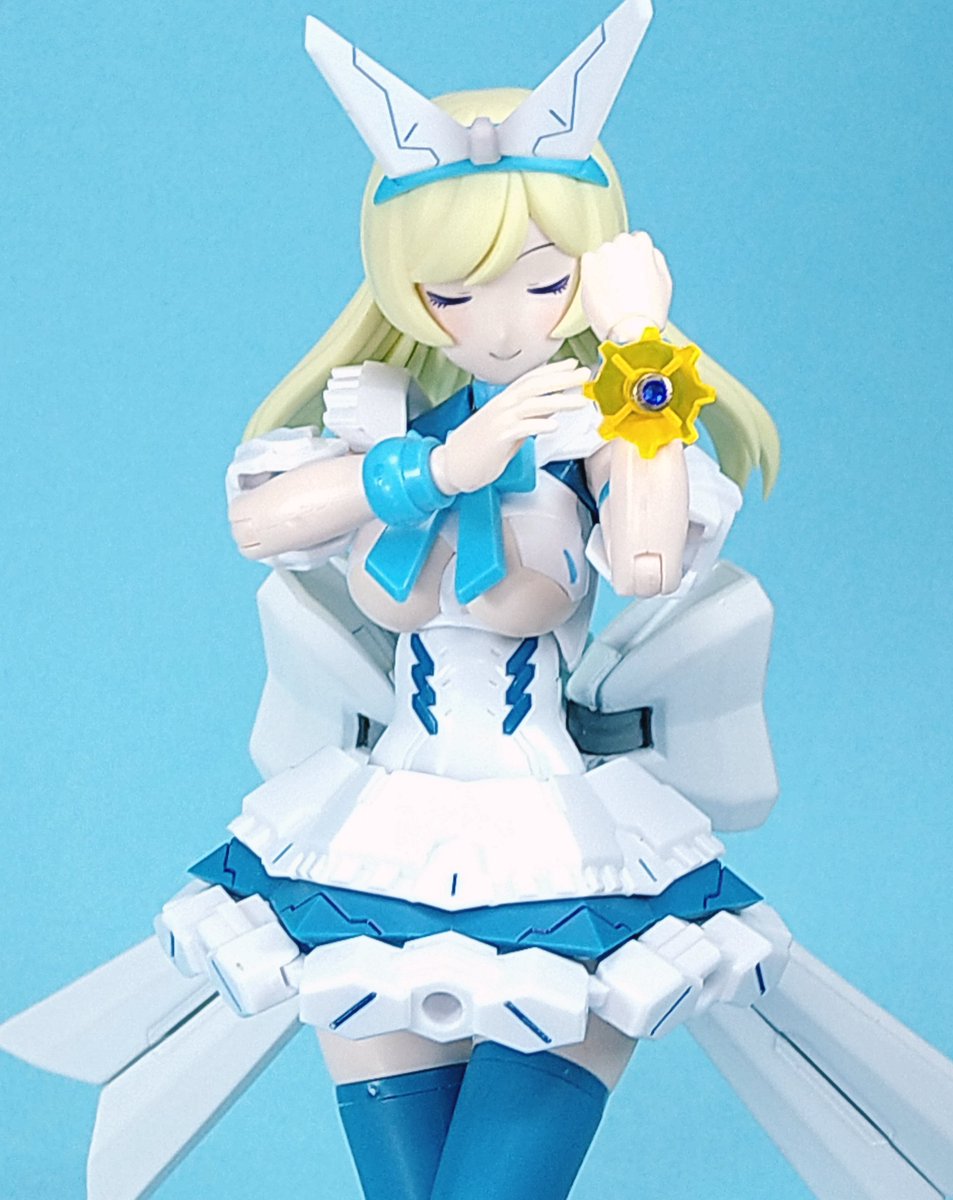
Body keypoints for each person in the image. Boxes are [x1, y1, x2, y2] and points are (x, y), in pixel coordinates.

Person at [2, 5, 951, 1200]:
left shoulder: (601, 428)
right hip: (368, 842)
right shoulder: (381, 426)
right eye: (452, 295)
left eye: (542, 282)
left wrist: (637, 343)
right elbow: (260, 525)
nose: (500, 325)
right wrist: (436, 466)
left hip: (559, 850)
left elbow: (646, 563)